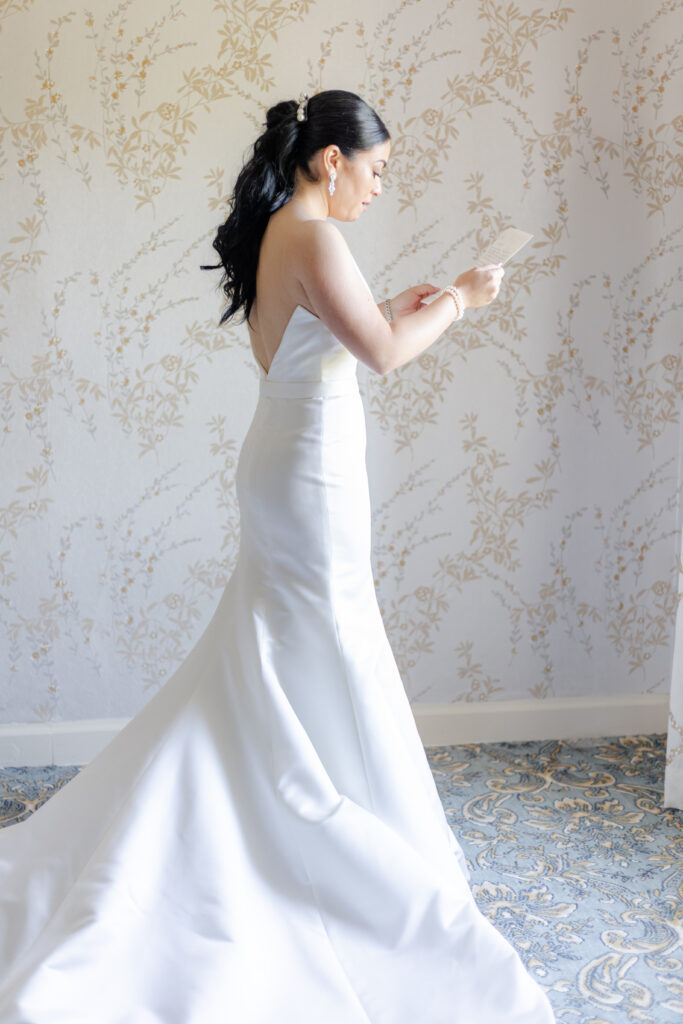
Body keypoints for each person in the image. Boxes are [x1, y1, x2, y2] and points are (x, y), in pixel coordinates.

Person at [0, 89, 555, 1022]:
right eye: (375, 171)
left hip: (289, 461)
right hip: (309, 478)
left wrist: (394, 302)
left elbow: (322, 337)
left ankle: (293, 796)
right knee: (326, 637)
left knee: (284, 644)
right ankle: (331, 828)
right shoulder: (313, 236)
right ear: (328, 159)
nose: (379, 190)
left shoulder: (277, 234)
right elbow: (378, 355)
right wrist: (462, 297)